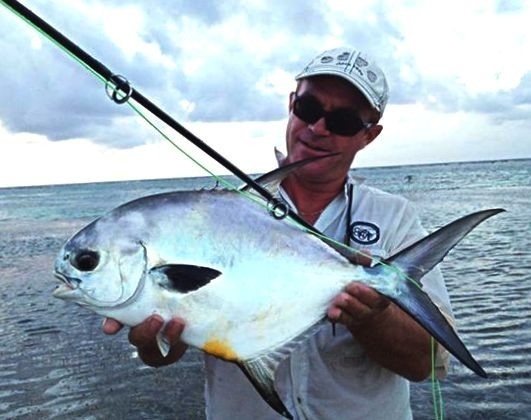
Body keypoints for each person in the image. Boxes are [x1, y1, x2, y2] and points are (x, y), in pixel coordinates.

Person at [103, 47, 453, 419]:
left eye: (345, 121)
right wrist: (156, 341)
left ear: (370, 135)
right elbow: (169, 344)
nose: (318, 128)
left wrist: (374, 318)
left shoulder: (393, 217)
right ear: (291, 104)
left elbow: (427, 364)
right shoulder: (210, 216)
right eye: (308, 109)